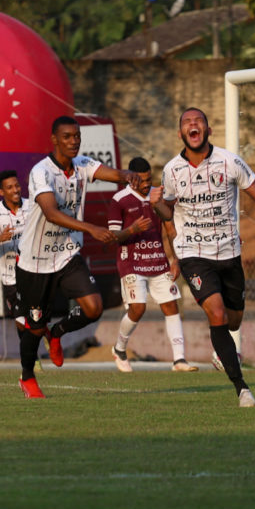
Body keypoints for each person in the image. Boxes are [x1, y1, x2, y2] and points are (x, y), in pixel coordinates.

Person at [150, 107, 255, 407]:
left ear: (207, 130)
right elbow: (167, 213)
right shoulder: (171, 171)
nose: (193, 126)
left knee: (232, 321)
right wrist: (158, 208)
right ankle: (242, 388)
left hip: (230, 253)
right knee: (216, 313)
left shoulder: (229, 161)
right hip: (193, 252)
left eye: (198, 121)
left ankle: (222, 351)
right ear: (181, 134)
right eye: (187, 123)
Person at [15, 115, 139, 398]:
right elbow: (50, 213)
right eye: (67, 137)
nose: (74, 141)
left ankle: (57, 332)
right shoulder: (41, 172)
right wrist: (92, 228)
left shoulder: (82, 164)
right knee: (34, 327)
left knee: (94, 307)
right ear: (54, 140)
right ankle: (27, 377)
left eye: (77, 136)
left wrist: (127, 175)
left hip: (67, 254)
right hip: (35, 261)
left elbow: (111, 174)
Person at [107, 156, 198, 373]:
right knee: (138, 308)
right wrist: (132, 230)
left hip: (158, 261)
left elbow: (170, 230)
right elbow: (112, 237)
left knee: (170, 305)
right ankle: (119, 349)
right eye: (141, 180)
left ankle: (179, 360)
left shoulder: (158, 196)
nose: (147, 184)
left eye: (149, 179)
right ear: (131, 180)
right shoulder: (119, 200)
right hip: (131, 262)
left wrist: (175, 259)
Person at [0, 170, 32, 332]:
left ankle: (43, 339)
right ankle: (32, 357)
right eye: (10, 188)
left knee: (36, 319)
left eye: (17, 186)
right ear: (1, 192)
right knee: (21, 322)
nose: (15, 190)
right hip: (11, 279)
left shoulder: (32, 206)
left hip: (35, 273)